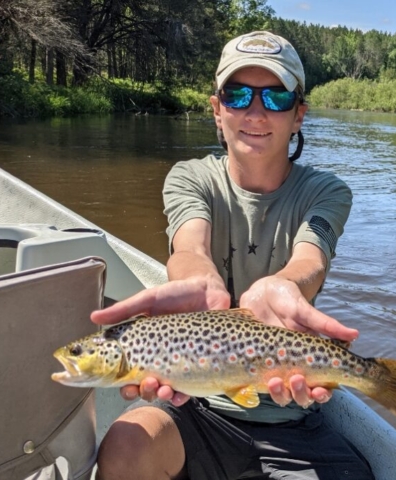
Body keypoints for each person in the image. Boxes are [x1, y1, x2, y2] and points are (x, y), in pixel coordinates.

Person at [92, 31, 374, 480]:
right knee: (126, 446)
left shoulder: (327, 191)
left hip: (292, 414)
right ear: (217, 109)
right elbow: (190, 248)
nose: (255, 111)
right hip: (195, 409)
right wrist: (199, 280)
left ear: (299, 114)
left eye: (276, 97)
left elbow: (311, 259)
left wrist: (286, 285)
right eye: (238, 94)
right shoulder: (190, 177)